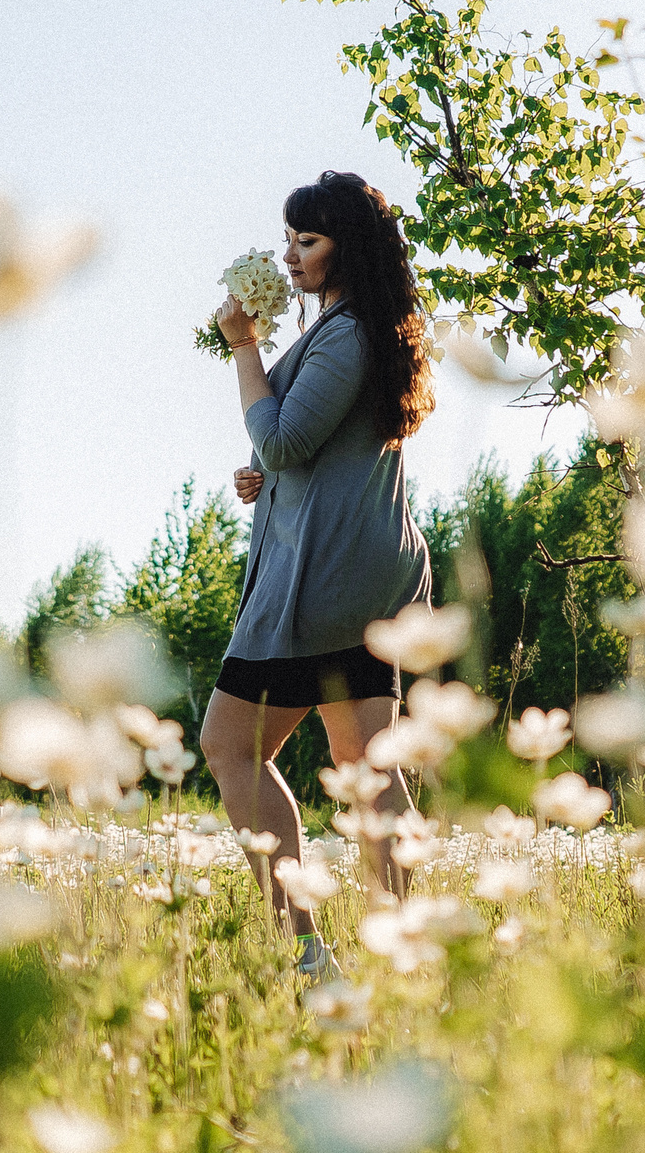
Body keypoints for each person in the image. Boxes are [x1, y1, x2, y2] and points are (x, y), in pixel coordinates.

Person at [202, 171, 436, 982]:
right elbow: (303, 452)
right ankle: (407, 956)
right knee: (367, 765)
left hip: (326, 585)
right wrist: (266, 479)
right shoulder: (353, 328)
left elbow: (288, 441)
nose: (291, 255)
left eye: (308, 240)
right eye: (289, 240)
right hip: (361, 574)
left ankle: (307, 952)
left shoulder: (345, 334)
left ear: (349, 247)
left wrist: (243, 349)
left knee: (229, 744)